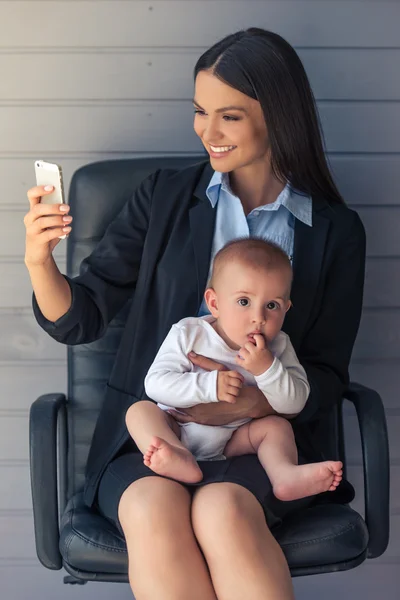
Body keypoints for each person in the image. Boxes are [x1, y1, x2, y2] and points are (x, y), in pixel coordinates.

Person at [24, 27, 365, 600]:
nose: (208, 132)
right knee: (156, 512)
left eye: (228, 116)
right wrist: (39, 263)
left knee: (222, 512)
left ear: (278, 116)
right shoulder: (163, 197)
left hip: (257, 443)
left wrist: (247, 403)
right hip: (153, 438)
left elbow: (328, 374)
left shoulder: (333, 232)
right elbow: (78, 319)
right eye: (200, 111)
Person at [127, 237, 343, 502]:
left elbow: (294, 403)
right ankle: (177, 456)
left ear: (286, 309)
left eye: (272, 305)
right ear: (214, 303)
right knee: (140, 412)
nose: (259, 317)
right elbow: (156, 384)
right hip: (177, 428)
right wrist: (209, 386)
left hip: (236, 439)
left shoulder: (279, 346)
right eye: (244, 301)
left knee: (276, 427)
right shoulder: (189, 333)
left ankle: (284, 475)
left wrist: (267, 369)